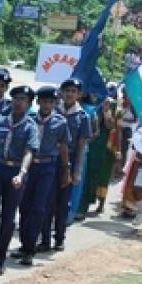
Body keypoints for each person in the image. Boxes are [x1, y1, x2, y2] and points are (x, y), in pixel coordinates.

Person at [0, 85, 38, 275]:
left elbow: (30, 151)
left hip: (15, 172)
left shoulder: (30, 126)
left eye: (23, 100)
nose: (18, 102)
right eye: (16, 98)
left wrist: (21, 173)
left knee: (9, 217)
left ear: (29, 104)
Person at [14, 86, 70, 265]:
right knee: (24, 206)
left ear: (55, 103)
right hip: (29, 166)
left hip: (47, 167)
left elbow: (63, 147)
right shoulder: (28, 120)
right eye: (44, 101)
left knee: (39, 207)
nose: (47, 105)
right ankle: (23, 244)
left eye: (51, 102)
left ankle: (30, 249)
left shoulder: (60, 122)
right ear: (37, 102)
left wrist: (66, 169)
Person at [41, 78, 91, 251]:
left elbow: (82, 145)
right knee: (47, 201)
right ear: (61, 92)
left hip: (68, 161)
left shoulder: (82, 116)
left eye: (73, 91)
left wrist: (76, 170)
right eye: (67, 90)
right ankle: (45, 239)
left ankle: (59, 238)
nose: (69, 94)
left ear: (79, 95)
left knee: (63, 203)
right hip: (50, 161)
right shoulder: (52, 111)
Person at [78, 94, 120, 216]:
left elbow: (113, 128)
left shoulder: (117, 112)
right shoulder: (93, 110)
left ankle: (101, 204)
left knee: (103, 176)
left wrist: (107, 113)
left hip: (107, 149)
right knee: (89, 175)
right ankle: (85, 203)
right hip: (94, 146)